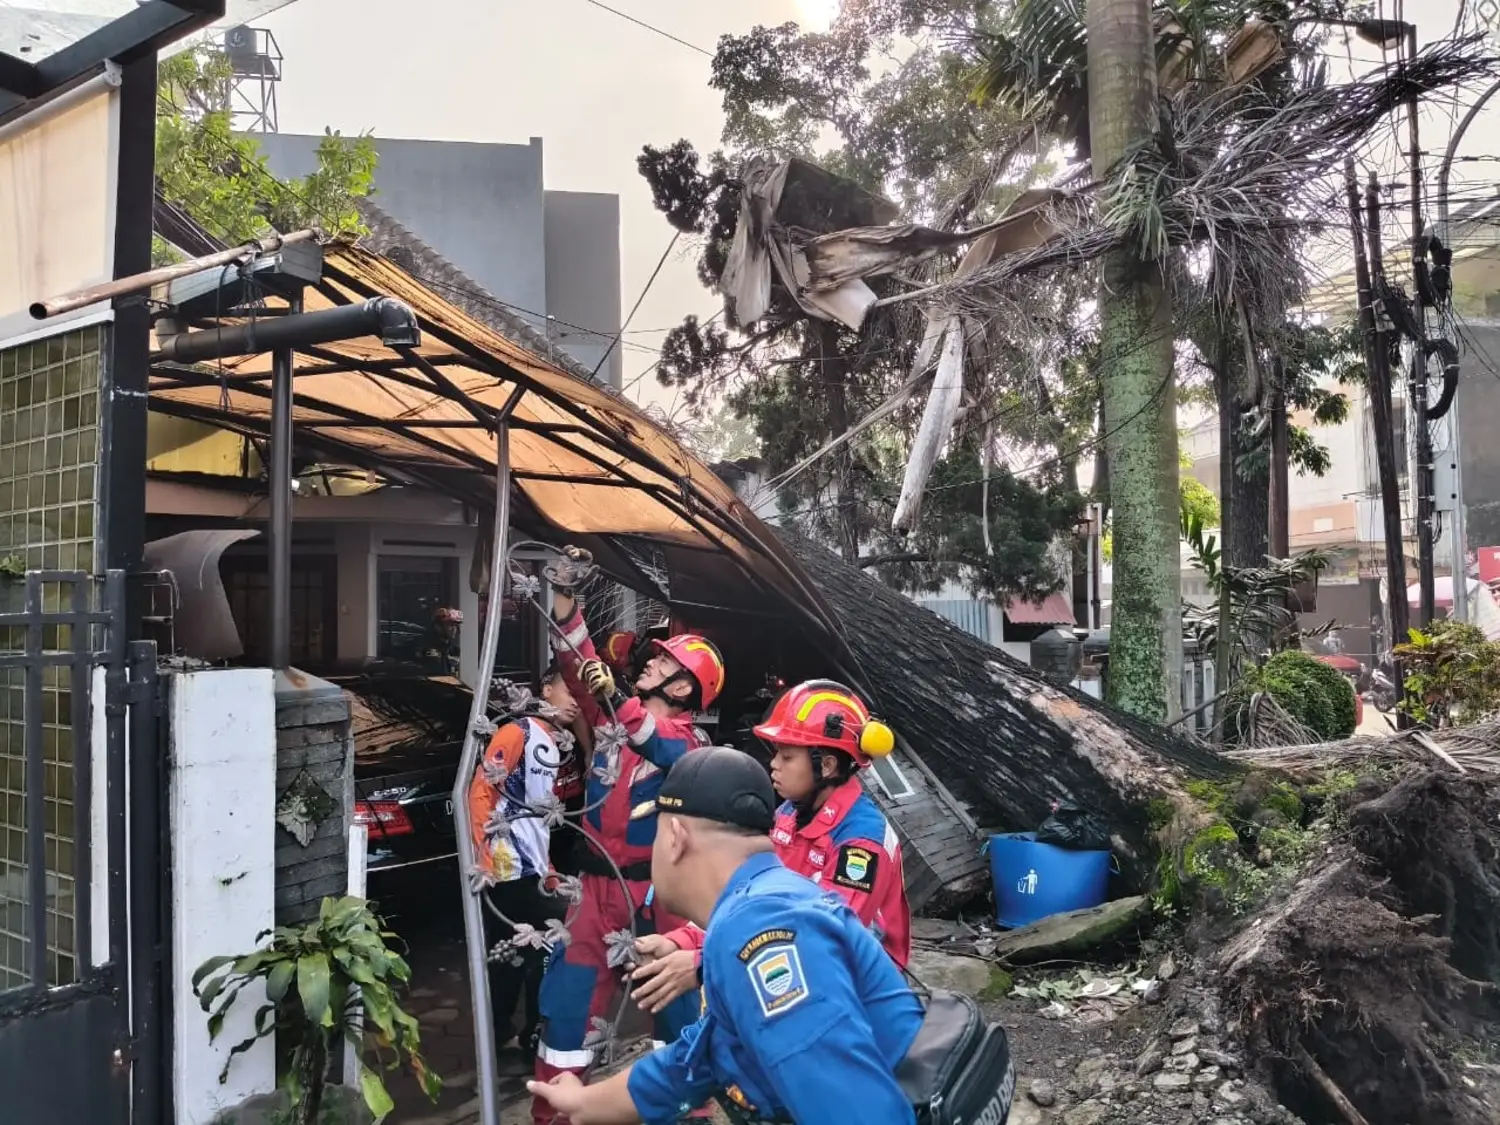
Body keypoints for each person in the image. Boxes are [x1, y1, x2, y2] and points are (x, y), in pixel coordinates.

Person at [527, 746, 924, 1125]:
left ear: (676, 838)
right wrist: (583, 1104)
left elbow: (856, 1112)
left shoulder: (763, 933)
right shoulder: (752, 911)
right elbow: (696, 1061)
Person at [533, 567, 726, 1121]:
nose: (649, 662)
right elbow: (578, 666)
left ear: (684, 686)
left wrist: (613, 694)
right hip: (594, 891)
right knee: (567, 1011)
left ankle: (686, 1114)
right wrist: (566, 605)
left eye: (664, 662)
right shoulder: (612, 719)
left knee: (679, 1018)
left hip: (658, 900)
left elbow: (650, 736)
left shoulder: (690, 743)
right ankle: (554, 1114)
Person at [631, 681, 912, 1017]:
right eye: (776, 752)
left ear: (827, 766)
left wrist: (701, 965)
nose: (773, 764)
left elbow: (821, 937)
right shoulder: (788, 816)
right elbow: (745, 898)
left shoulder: (862, 842)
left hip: (857, 997)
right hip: (796, 972)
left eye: (787, 755)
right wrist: (682, 940)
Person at [468, 664, 580, 1069]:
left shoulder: (550, 742)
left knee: (512, 956)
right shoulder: (518, 732)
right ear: (545, 689)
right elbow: (482, 790)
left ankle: (500, 1036)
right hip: (505, 867)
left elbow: (534, 822)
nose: (575, 701)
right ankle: (532, 1034)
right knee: (550, 941)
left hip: (529, 868)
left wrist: (547, 866)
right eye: (568, 690)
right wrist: (483, 857)